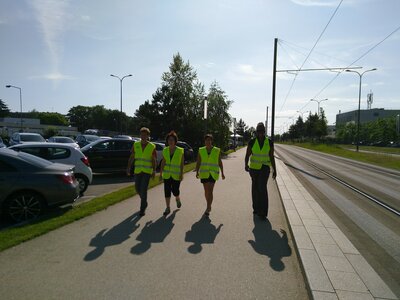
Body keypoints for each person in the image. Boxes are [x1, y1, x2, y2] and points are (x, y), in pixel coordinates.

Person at [244, 122, 277, 219]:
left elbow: (271, 156)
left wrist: (275, 169)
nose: (261, 133)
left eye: (262, 131)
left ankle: (263, 212)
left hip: (265, 168)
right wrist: (246, 164)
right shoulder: (252, 142)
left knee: (262, 188)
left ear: (264, 131)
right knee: (255, 189)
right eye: (259, 131)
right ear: (256, 132)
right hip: (254, 169)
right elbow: (247, 154)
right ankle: (256, 208)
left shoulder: (269, 142)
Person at [127, 127, 157, 216]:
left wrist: (154, 170)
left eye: (145, 135)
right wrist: (128, 167)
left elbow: (154, 160)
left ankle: (142, 209)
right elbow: (132, 157)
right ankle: (144, 202)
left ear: (148, 136)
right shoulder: (136, 144)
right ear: (140, 135)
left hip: (147, 171)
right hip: (138, 170)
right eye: (142, 135)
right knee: (137, 188)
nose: (143, 136)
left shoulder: (152, 146)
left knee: (143, 189)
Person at [195, 134, 225, 217]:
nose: (208, 142)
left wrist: (222, 173)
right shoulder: (201, 150)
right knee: (206, 191)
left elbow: (219, 162)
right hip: (204, 173)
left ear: (212, 141)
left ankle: (208, 207)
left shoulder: (216, 150)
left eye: (209, 140)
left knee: (210, 191)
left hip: (213, 173)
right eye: (206, 140)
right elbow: (198, 162)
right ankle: (209, 204)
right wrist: (197, 171)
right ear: (204, 141)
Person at [159, 131, 184, 216]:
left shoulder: (180, 150)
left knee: (175, 191)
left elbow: (181, 163)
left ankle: (177, 198)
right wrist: (161, 174)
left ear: (175, 141)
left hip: (176, 174)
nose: (170, 141)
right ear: (167, 141)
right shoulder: (165, 150)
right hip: (167, 175)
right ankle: (168, 207)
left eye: (172, 140)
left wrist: (181, 173)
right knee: (167, 191)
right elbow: (163, 162)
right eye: (169, 140)